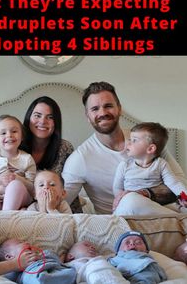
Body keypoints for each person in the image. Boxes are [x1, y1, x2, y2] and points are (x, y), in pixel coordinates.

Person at [62, 81, 187, 215]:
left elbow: (180, 183)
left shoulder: (145, 139)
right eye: (95, 109)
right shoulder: (79, 159)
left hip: (164, 215)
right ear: (87, 116)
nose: (103, 112)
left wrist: (145, 193)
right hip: (123, 223)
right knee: (130, 201)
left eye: (108, 106)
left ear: (119, 108)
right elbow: (61, 204)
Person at [21, 96, 82, 213]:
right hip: (25, 211)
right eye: (37, 115)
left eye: (50, 117)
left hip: (61, 210)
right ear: (29, 118)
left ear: (56, 123)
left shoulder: (64, 148)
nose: (43, 121)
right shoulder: (16, 147)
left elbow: (69, 189)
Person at [113, 123, 187, 214]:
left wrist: (185, 198)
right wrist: (119, 199)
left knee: (181, 208)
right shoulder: (124, 165)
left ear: (150, 148)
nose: (128, 143)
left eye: (134, 140)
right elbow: (117, 187)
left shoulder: (160, 164)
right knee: (131, 199)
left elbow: (174, 183)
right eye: (129, 139)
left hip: (155, 205)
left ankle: (176, 218)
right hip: (131, 202)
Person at [0, 238, 77, 284]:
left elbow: (56, 261)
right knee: (37, 279)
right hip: (33, 275)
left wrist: (41, 256)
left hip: (54, 270)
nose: (27, 242)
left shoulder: (42, 255)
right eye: (20, 242)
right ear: (9, 256)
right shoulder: (11, 271)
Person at [64, 240, 129, 284]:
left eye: (95, 248)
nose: (92, 247)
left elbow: (114, 255)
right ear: (70, 256)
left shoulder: (102, 259)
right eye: (86, 245)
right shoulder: (73, 264)